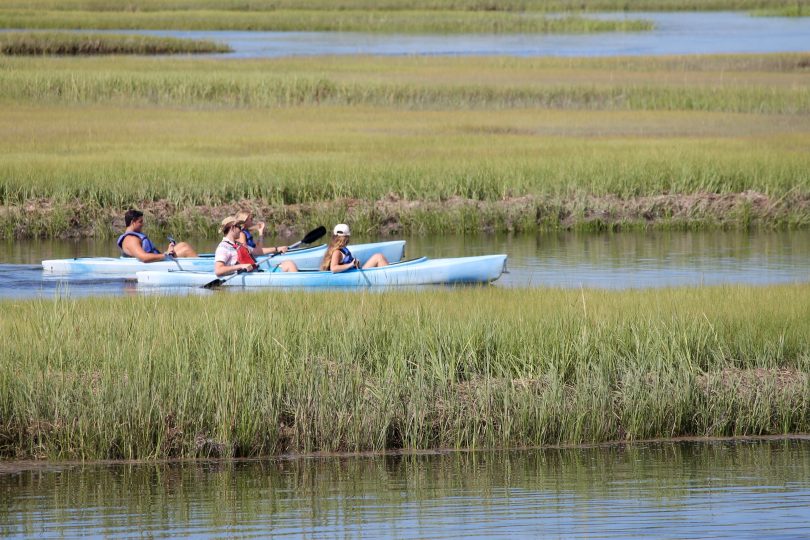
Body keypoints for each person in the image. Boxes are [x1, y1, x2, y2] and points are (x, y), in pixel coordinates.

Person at [214, 216, 298, 277]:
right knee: (290, 265)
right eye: (239, 227)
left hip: (256, 274)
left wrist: (277, 249)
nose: (240, 229)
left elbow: (257, 251)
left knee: (289, 263)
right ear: (232, 228)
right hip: (247, 276)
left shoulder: (238, 244)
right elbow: (218, 270)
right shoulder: (223, 247)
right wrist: (241, 266)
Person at [118, 209, 197, 262]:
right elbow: (143, 257)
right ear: (133, 222)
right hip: (155, 262)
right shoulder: (131, 239)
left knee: (183, 245)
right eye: (140, 222)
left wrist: (168, 251)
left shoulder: (133, 236)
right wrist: (165, 255)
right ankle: (205, 269)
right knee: (186, 250)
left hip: (158, 259)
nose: (143, 224)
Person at [234, 210, 299, 273]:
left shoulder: (246, 233)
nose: (253, 220)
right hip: (252, 265)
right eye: (251, 219)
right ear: (244, 221)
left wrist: (260, 232)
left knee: (289, 264)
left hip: (256, 261)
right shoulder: (241, 234)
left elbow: (260, 248)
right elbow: (255, 251)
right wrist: (277, 248)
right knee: (290, 264)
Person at [320, 223, 388, 272]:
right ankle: (389, 278)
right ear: (345, 238)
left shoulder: (341, 250)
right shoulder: (337, 252)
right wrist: (350, 264)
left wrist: (355, 264)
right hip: (355, 275)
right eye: (347, 237)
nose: (348, 239)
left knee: (378, 256)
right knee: (379, 257)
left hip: (355, 272)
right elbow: (334, 268)